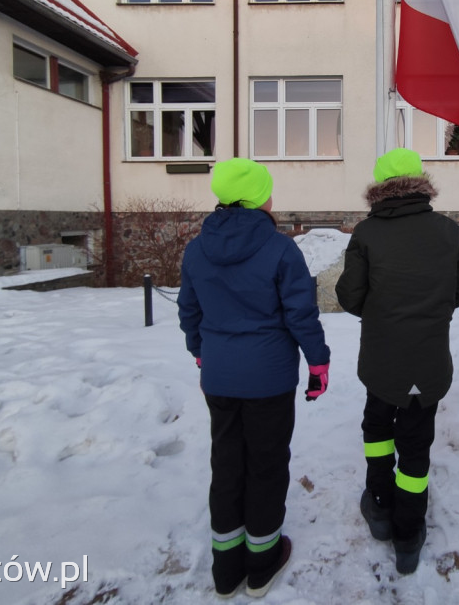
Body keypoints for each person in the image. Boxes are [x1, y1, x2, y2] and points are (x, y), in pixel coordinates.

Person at [178, 158, 331, 599]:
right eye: (268, 191)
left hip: (221, 377)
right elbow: (301, 315)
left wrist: (200, 352)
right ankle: (262, 563)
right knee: (266, 465)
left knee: (227, 463)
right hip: (269, 380)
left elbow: (190, 311)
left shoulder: (196, 248)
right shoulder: (281, 249)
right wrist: (317, 364)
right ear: (258, 197)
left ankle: (226, 570)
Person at [335, 148, 459, 575]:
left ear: (380, 188)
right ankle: (409, 534)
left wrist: (382, 311)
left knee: (377, 425)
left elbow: (349, 297)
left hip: (381, 360)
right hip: (428, 360)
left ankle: (378, 506)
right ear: (421, 183)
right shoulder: (448, 231)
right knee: (416, 443)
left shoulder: (367, 233)